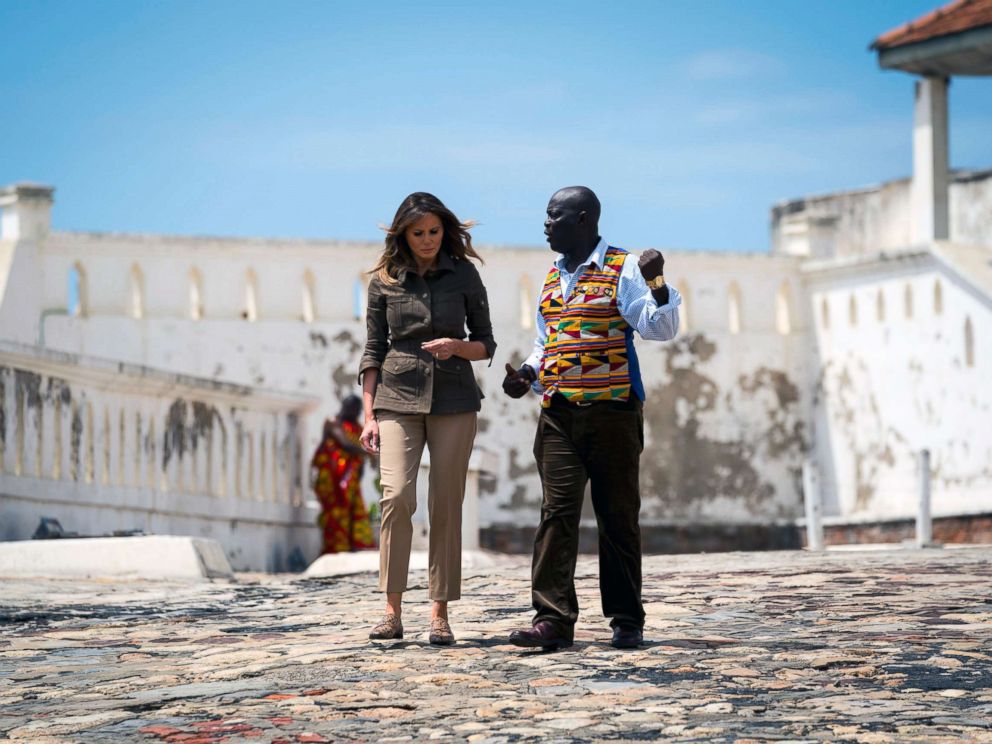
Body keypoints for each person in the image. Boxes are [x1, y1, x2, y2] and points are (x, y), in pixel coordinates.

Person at [502, 186, 680, 650]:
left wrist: (657, 283)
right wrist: (526, 373)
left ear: (583, 220)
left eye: (553, 216)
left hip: (613, 413)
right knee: (555, 516)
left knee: (617, 516)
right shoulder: (550, 277)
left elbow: (658, 328)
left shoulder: (622, 270)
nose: (545, 224)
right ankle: (553, 619)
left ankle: (625, 619)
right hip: (559, 414)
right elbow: (548, 344)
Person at [358, 192, 496, 646]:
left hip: (455, 397)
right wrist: (369, 414)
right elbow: (373, 349)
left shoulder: (464, 275)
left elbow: (486, 344)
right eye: (418, 233)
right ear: (403, 234)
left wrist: (457, 347)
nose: (427, 240)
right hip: (396, 397)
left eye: (434, 231)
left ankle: (439, 613)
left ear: (445, 230)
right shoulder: (384, 280)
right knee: (397, 496)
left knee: (445, 503)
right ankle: (391, 611)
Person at [311, 394, 376, 554]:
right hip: (332, 479)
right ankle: (334, 548)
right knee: (335, 513)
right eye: (354, 409)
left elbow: (358, 459)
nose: (356, 413)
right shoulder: (333, 422)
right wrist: (369, 453)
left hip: (350, 481)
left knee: (354, 512)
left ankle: (354, 546)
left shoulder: (358, 427)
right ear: (346, 407)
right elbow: (345, 444)